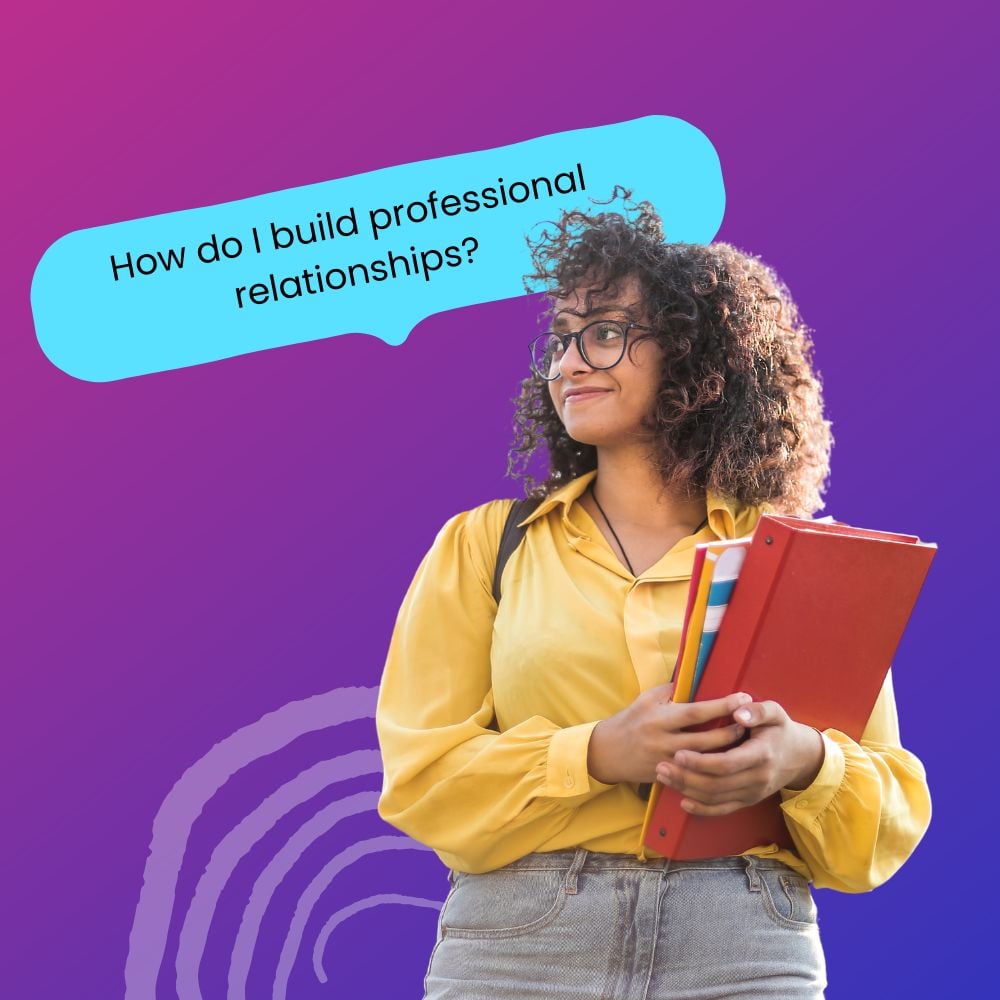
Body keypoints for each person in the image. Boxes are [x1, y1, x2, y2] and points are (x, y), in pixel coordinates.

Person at [375, 193, 931, 999]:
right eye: (562, 339)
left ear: (696, 358)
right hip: (520, 944)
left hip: (742, 942)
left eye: (603, 333)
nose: (568, 363)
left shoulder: (799, 566)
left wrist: (803, 761)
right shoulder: (483, 547)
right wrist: (597, 753)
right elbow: (421, 782)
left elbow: (885, 817)